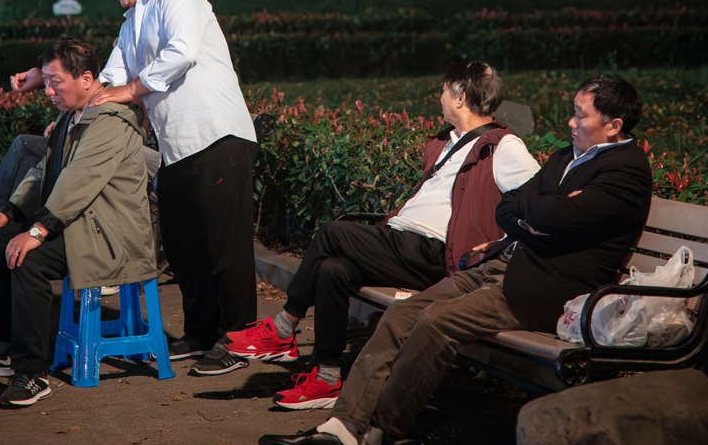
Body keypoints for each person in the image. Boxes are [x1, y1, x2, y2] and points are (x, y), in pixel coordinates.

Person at [258, 74, 652, 445]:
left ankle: (382, 428)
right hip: (501, 263)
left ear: (614, 124)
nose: (570, 122)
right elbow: (512, 206)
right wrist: (538, 215)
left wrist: (539, 212)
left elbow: (559, 215)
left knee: (436, 321)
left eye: (580, 115)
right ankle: (343, 425)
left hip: (540, 290)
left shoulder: (626, 171)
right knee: (402, 315)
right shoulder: (566, 157)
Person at [224, 60, 539, 410]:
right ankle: (327, 378)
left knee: (331, 234)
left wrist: (501, 244)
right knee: (332, 270)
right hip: (403, 244)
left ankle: (284, 328)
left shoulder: (504, 147)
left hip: (436, 254)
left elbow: (538, 207)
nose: (439, 96)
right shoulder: (447, 143)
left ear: (461, 97)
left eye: (444, 90)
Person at [11, 0, 259, 377]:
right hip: (175, 147)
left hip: (217, 135)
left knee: (225, 246)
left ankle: (240, 339)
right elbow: (105, 81)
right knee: (185, 248)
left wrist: (130, 90)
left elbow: (180, 53)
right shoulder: (131, 24)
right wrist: (56, 86)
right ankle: (201, 334)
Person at [0, 37, 156, 408]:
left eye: (54, 81)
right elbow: (44, 169)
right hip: (77, 224)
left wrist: (37, 230)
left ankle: (31, 373)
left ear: (88, 78)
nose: (47, 91)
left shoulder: (110, 120)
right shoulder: (70, 113)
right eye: (45, 81)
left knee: (27, 257)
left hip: (108, 235)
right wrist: (6, 215)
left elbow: (80, 180)